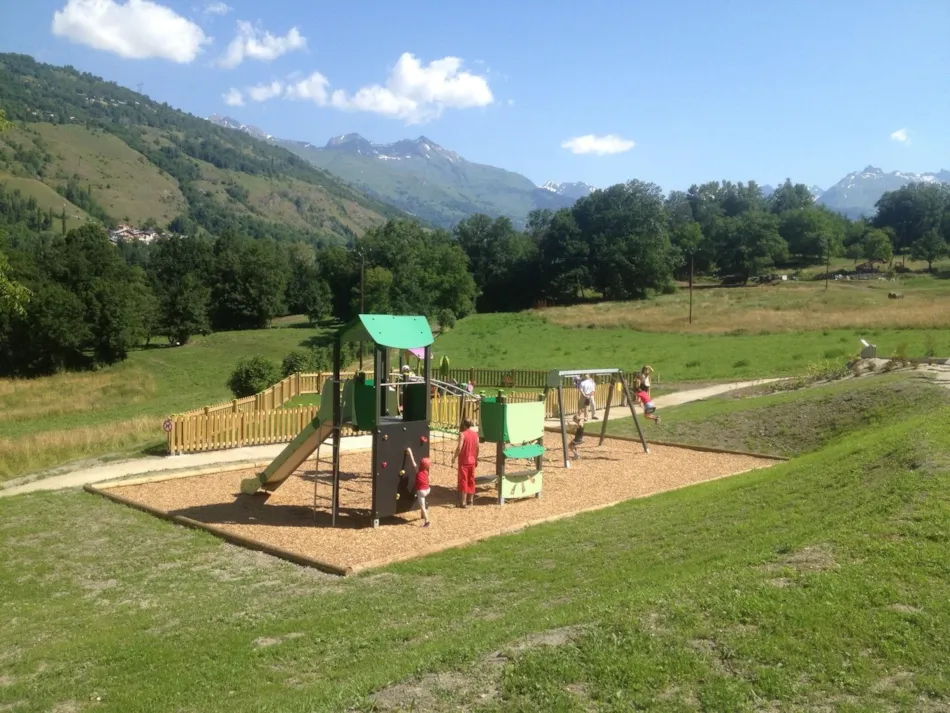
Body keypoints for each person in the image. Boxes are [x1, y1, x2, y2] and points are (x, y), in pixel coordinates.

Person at [452, 418, 479, 507]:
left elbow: (459, 447)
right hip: (472, 460)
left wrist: (454, 457)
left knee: (463, 480)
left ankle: (463, 502)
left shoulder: (462, 434)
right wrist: (476, 458)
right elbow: (477, 448)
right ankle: (470, 500)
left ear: (463, 424)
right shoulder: (475, 434)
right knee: (471, 480)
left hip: (464, 461)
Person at [404, 449, 431, 527]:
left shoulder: (418, 470)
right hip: (428, 489)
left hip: (422, 491)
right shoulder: (426, 472)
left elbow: (413, 461)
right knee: (422, 499)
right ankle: (423, 514)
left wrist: (410, 452)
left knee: (422, 507)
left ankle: (427, 522)